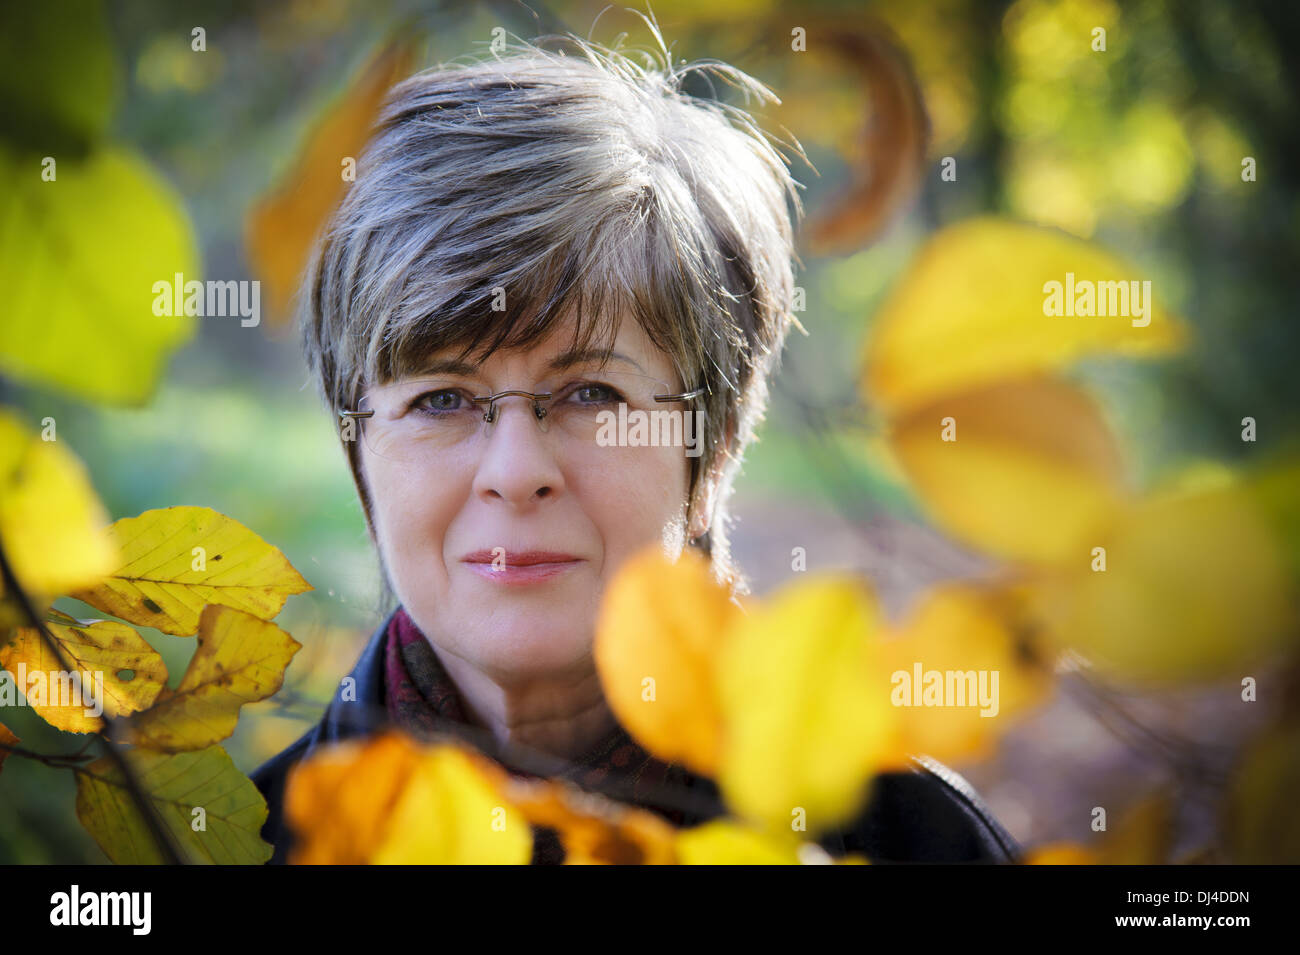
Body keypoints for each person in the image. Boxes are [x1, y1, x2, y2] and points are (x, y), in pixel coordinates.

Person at [251, 27, 1019, 865]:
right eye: (442, 399)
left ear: (713, 439)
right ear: (358, 445)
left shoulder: (916, 842)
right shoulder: (226, 843)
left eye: (590, 394)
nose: (515, 473)